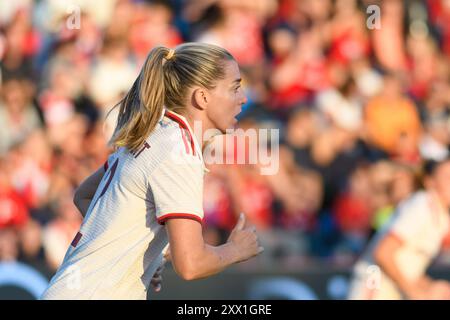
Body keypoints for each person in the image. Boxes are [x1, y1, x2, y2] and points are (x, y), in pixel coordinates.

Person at [41, 42, 263, 299]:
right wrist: (236, 249)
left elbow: (84, 195)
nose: (243, 97)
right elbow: (191, 264)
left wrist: (146, 254)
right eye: (234, 87)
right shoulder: (179, 151)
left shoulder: (156, 132)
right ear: (202, 97)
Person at [347, 157, 450, 300]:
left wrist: (430, 286)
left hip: (391, 290)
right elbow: (383, 253)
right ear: (430, 182)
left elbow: (407, 267)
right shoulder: (422, 204)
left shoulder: (442, 217)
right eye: (447, 177)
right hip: (375, 286)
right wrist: (415, 292)